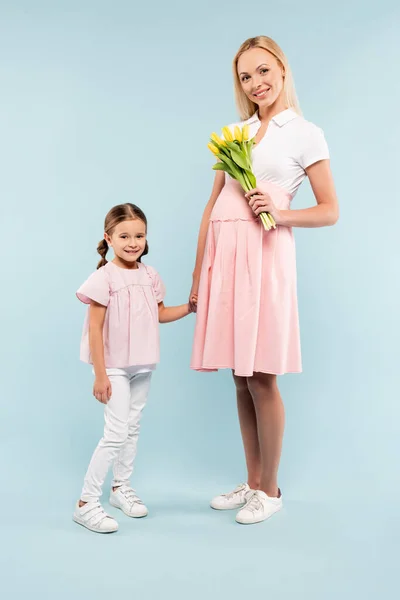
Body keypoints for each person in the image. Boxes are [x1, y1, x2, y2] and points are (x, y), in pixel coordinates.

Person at [190, 36, 339, 525]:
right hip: (225, 261)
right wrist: (198, 276)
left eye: (263, 71)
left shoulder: (305, 133)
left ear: (282, 67)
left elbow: (330, 211)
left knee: (261, 375)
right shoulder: (233, 131)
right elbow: (211, 207)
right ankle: (252, 482)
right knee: (238, 375)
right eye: (245, 77)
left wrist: (281, 211)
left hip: (266, 259)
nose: (256, 83)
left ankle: (270, 490)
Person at [73, 203, 191, 533]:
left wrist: (189, 308)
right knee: (115, 432)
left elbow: (160, 313)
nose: (132, 242)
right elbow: (95, 328)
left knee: (132, 427)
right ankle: (86, 502)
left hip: (143, 364)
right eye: (124, 235)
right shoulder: (103, 277)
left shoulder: (150, 275)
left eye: (139, 235)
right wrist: (99, 374)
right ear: (108, 238)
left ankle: (119, 488)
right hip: (113, 367)